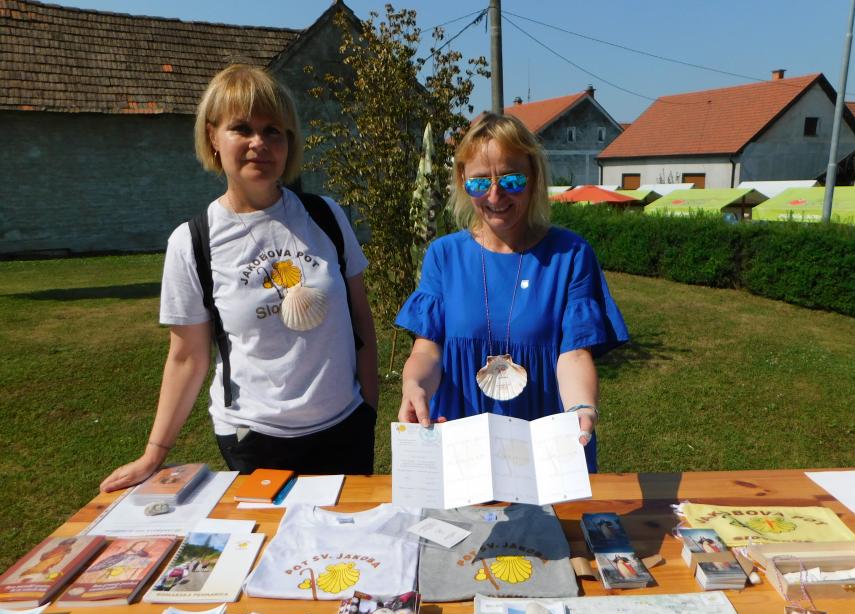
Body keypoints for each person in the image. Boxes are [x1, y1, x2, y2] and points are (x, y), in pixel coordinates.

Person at [100, 64, 377, 493]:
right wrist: (154, 453)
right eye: (242, 128)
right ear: (213, 136)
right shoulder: (193, 242)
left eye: (273, 131)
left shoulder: (326, 215)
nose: (258, 143)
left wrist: (369, 408)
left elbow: (361, 318)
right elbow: (186, 358)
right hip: (256, 439)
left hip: (344, 428)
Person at [395, 113, 627, 471]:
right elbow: (427, 349)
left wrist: (581, 406)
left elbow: (575, 354)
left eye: (511, 180)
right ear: (462, 181)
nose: (495, 195)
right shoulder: (444, 255)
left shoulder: (570, 254)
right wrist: (414, 385)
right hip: (461, 437)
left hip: (545, 437)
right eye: (479, 183)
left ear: (534, 177)